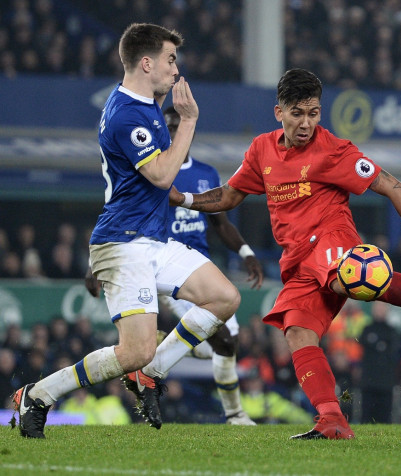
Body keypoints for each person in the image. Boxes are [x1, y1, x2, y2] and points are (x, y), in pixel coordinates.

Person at [167, 68, 401, 440]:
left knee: (354, 277)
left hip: (332, 238)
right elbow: (229, 196)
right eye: (298, 113)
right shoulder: (261, 149)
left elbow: (393, 186)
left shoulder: (333, 151)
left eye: (314, 113)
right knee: (297, 332)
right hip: (296, 261)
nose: (307, 123)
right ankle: (332, 420)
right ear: (279, 112)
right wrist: (183, 199)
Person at [11, 23, 241, 439]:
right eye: (171, 60)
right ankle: (38, 395)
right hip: (123, 242)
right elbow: (160, 175)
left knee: (224, 297)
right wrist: (188, 122)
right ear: (147, 63)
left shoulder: (142, 102)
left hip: (151, 238)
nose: (176, 69)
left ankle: (151, 371)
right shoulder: (128, 114)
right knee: (134, 350)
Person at [84, 106, 265, 426]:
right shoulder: (150, 171)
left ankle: (162, 345)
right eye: (166, 126)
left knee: (226, 344)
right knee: (222, 339)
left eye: (177, 126)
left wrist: (246, 252)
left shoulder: (206, 173)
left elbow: (220, 223)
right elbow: (116, 215)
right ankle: (234, 414)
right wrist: (94, 264)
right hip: (165, 271)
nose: (171, 132)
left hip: (200, 271)